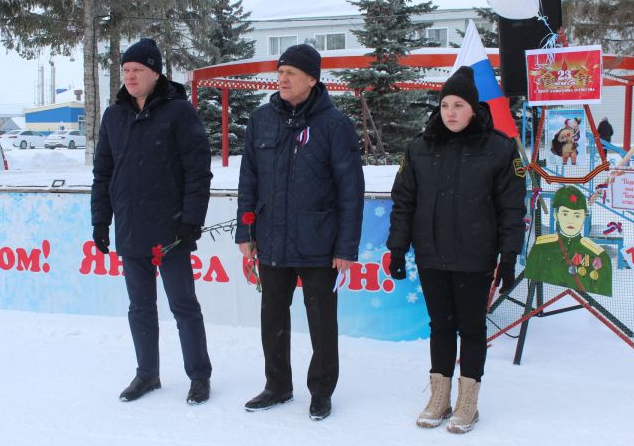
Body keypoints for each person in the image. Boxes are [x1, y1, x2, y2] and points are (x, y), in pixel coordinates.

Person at [387, 66, 526, 434]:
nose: (450, 112)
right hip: (431, 255)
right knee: (441, 327)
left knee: (472, 329)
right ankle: (439, 396)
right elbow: (403, 202)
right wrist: (398, 249)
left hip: (476, 257)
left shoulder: (498, 148)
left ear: (474, 108)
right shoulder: (419, 148)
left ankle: (468, 402)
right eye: (445, 104)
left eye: (459, 104)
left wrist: (509, 255)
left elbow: (512, 208)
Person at [235, 44, 365, 421]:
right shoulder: (261, 120)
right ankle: (277, 385)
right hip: (271, 238)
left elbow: (350, 191)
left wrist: (345, 247)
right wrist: (246, 233)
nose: (283, 78)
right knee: (272, 316)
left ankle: (321, 390)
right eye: (280, 72)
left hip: (319, 243)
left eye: (291, 72)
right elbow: (249, 181)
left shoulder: (335, 125)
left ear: (313, 79)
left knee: (322, 322)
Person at [91, 38, 213, 405]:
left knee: (183, 306)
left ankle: (199, 376)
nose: (129, 77)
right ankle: (147, 374)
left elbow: (198, 171)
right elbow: (103, 173)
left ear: (155, 73)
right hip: (130, 227)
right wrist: (101, 221)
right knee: (139, 307)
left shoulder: (179, 112)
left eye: (137, 70)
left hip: (171, 231)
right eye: (125, 71)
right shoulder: (114, 116)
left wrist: (191, 221)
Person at [523, 186, 612, 297]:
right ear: (556, 216)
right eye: (565, 214)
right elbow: (532, 273)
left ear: (584, 217)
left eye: (577, 215)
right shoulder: (541, 247)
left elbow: (601, 290)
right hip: (549, 299)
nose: (571, 220)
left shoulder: (598, 254)